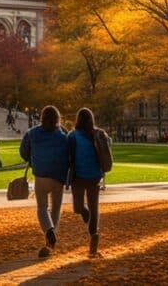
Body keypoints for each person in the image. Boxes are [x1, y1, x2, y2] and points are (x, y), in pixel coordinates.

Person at [20, 105, 70, 258]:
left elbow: (23, 151)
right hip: (58, 176)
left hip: (41, 174)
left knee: (42, 207)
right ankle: (50, 238)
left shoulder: (32, 133)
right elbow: (69, 153)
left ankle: (48, 231)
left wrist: (33, 159)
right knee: (55, 208)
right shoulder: (63, 136)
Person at [69, 107, 110, 258]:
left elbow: (69, 154)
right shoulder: (96, 134)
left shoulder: (76, 135)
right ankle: (90, 223)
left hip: (85, 176)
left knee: (86, 208)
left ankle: (93, 239)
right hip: (87, 176)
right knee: (85, 208)